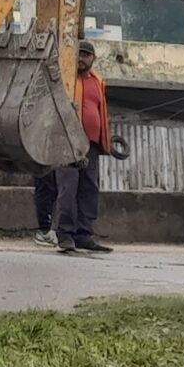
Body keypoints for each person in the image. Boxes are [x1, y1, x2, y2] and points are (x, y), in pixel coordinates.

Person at [56, 41, 115, 256]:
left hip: (91, 145)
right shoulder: (66, 79)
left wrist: (103, 141)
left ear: (93, 58)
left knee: (89, 189)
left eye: (86, 55)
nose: (82, 58)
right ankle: (65, 236)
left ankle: (84, 235)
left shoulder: (98, 81)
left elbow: (101, 110)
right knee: (68, 189)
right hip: (69, 143)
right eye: (78, 54)